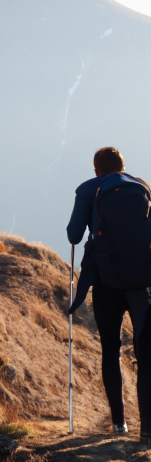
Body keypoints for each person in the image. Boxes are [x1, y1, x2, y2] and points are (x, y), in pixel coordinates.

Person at [66, 146, 151, 439]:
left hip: (106, 282)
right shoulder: (142, 188)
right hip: (141, 284)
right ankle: (148, 430)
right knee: (146, 354)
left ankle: (119, 425)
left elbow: (74, 235)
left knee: (111, 351)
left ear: (96, 170)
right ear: (123, 166)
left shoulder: (88, 190)